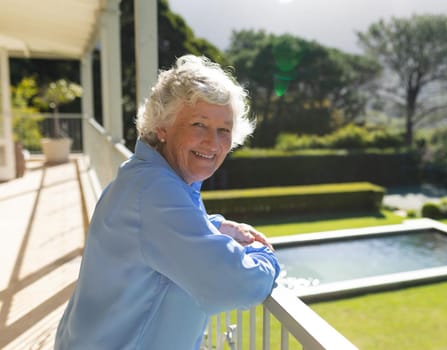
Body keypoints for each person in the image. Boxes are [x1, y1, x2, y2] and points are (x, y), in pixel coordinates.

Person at [54, 55, 280, 349]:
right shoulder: (155, 190)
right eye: (199, 124)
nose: (213, 142)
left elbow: (159, 235)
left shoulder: (148, 178)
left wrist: (216, 226)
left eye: (223, 130)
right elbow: (232, 284)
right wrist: (267, 257)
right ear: (162, 127)